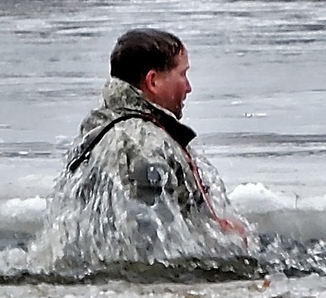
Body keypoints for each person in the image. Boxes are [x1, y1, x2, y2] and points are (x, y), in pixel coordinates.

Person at [41, 29, 252, 278]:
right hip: (139, 284)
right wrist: (220, 242)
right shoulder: (142, 143)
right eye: (182, 74)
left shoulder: (98, 127)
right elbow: (150, 238)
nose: (189, 87)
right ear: (153, 81)